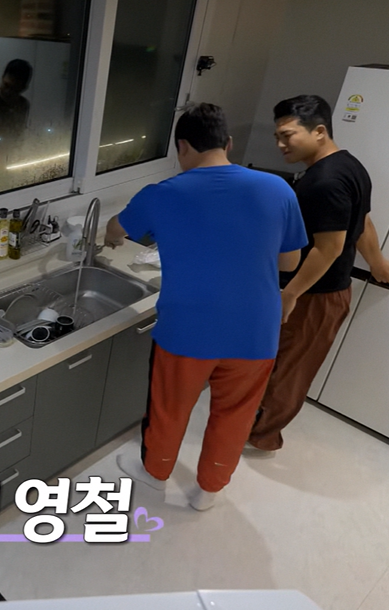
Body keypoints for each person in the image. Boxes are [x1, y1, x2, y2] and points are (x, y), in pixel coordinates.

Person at [105, 103, 307, 511]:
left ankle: (155, 475)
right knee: (234, 414)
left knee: (169, 408)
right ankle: (209, 492)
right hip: (255, 331)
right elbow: (289, 262)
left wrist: (112, 238)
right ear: (228, 143)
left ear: (182, 147)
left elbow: (116, 230)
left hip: (186, 330)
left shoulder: (161, 194)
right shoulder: (278, 189)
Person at [246, 95, 389, 455]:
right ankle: (254, 424)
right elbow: (361, 222)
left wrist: (291, 294)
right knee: (284, 362)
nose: (280, 144)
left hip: (314, 295)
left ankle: (261, 435)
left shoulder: (325, 181)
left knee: (288, 369)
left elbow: (329, 248)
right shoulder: (349, 166)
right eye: (277, 137)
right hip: (321, 291)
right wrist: (376, 262)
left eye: (288, 135)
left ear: (319, 131)